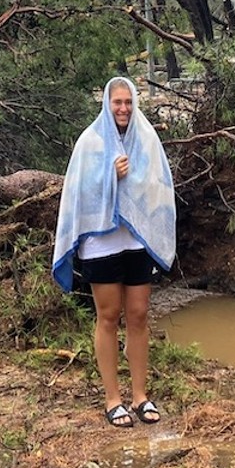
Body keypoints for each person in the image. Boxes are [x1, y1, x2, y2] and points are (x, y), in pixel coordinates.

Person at [52, 77, 177, 428]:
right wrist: (110, 175)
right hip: (101, 243)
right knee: (108, 317)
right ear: (107, 104)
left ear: (134, 103)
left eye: (127, 102)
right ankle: (113, 399)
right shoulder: (90, 142)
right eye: (116, 102)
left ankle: (140, 396)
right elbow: (78, 192)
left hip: (136, 240)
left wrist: (133, 179)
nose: (122, 108)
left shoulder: (147, 138)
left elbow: (160, 185)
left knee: (138, 315)